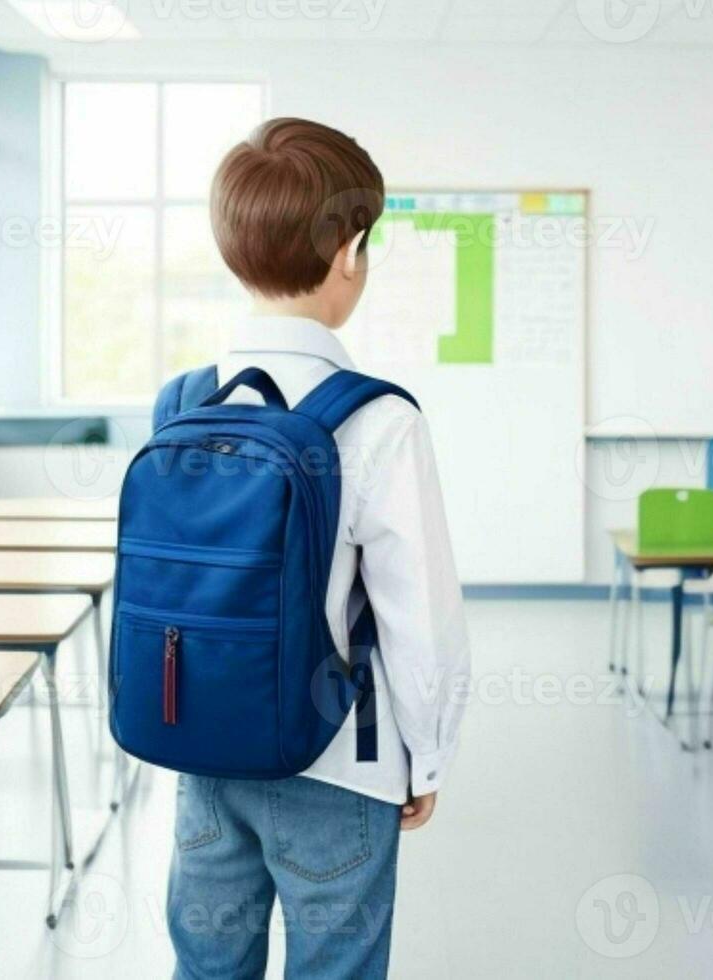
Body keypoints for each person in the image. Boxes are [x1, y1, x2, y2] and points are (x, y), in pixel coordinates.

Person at [164, 117, 471, 980]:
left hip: (202, 756)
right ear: (352, 248)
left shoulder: (183, 404)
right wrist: (429, 752)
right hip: (341, 763)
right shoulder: (379, 418)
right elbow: (422, 618)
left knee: (206, 969)